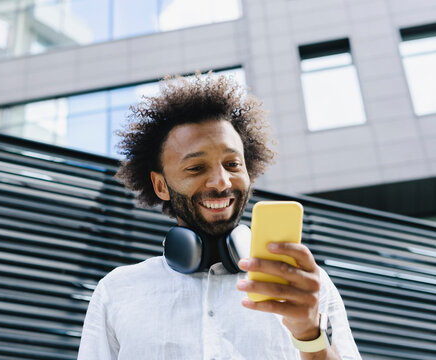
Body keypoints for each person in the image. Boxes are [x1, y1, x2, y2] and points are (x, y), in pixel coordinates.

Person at [78, 73, 361, 360]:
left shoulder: (306, 286)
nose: (221, 182)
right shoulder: (117, 291)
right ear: (161, 186)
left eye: (232, 164)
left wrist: (309, 334)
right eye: (196, 168)